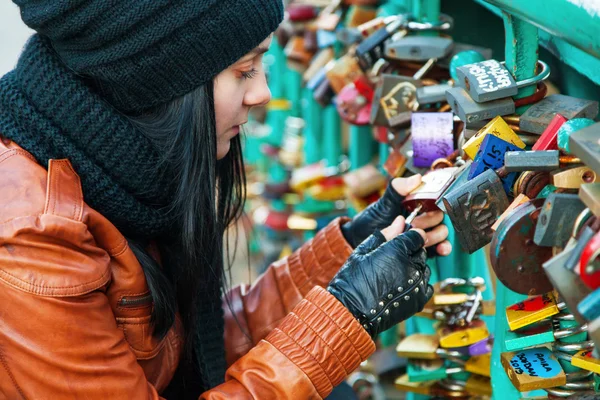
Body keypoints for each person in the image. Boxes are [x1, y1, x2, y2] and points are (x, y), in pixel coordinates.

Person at [0, 0, 451, 398]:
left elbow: (195, 347)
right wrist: (350, 310)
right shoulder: (32, 240)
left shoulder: (116, 173)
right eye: (243, 71)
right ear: (158, 80)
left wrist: (351, 248)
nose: (263, 94)